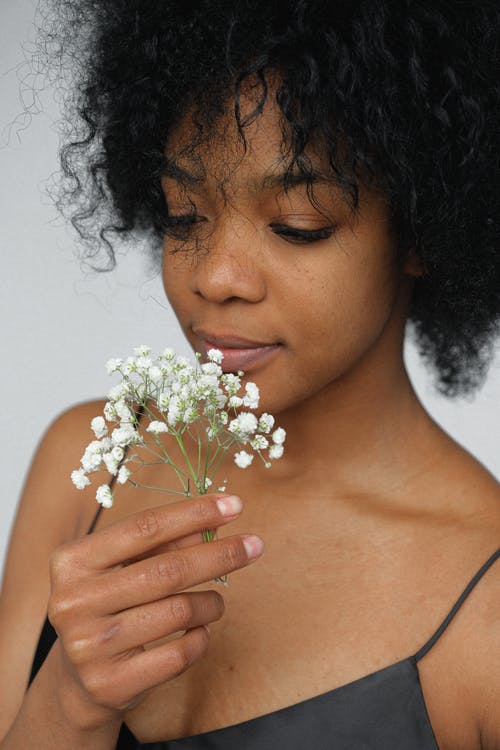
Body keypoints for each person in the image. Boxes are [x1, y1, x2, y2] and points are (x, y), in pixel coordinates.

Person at [1, 2, 499, 748]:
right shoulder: (94, 459)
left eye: (299, 226)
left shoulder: (486, 608)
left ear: (422, 230)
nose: (217, 278)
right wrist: (69, 706)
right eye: (185, 216)